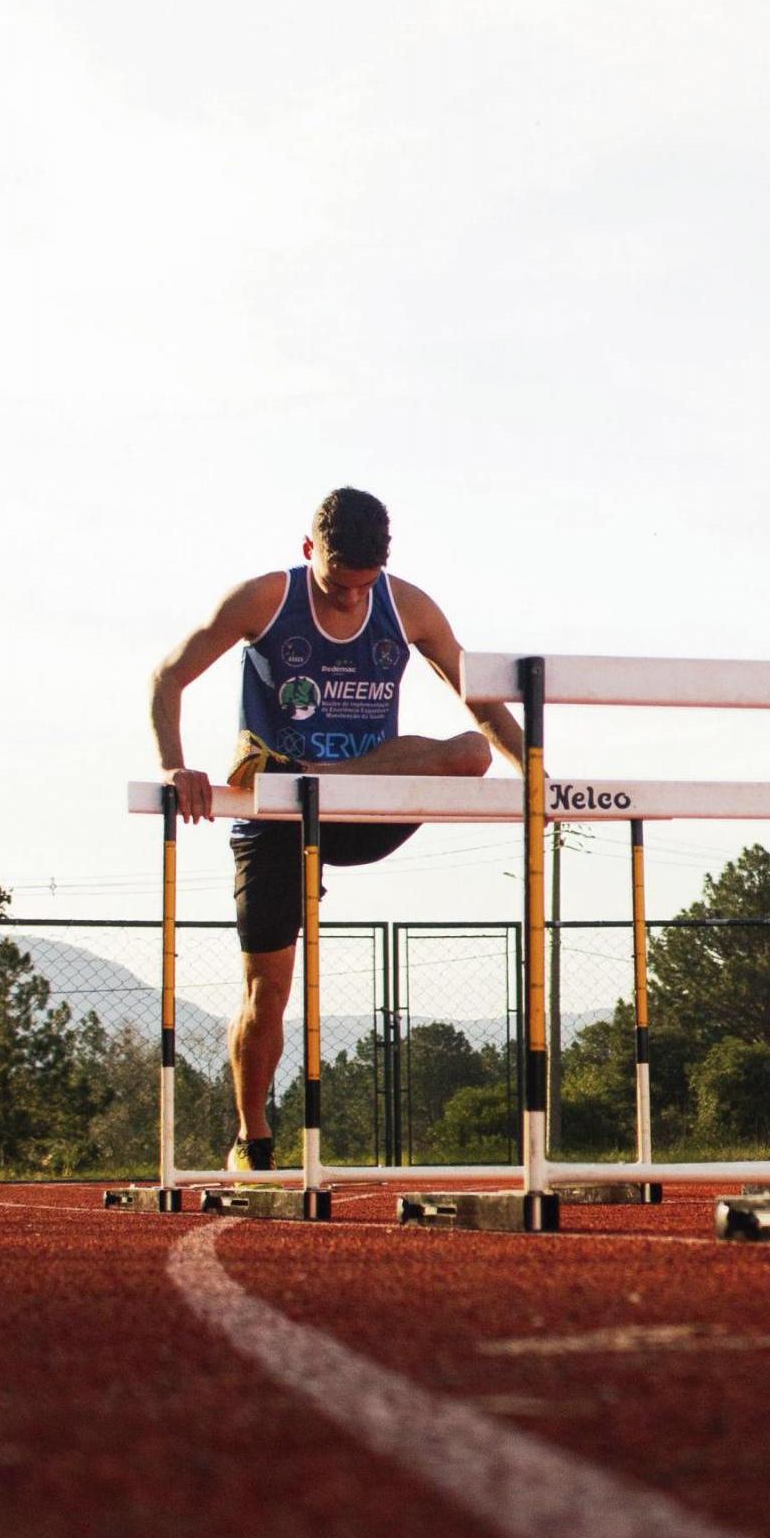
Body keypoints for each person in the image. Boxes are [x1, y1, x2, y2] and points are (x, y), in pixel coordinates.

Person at [150, 486, 523, 1172]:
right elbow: (169, 677)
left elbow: (477, 694)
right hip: (277, 815)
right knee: (269, 989)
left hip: (357, 804)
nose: (350, 600)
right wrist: (176, 767)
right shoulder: (264, 599)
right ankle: (251, 1135)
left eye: (362, 586)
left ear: (382, 567)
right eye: (335, 584)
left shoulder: (408, 606)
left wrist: (538, 771)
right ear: (306, 552)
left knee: (469, 752)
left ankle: (310, 769)